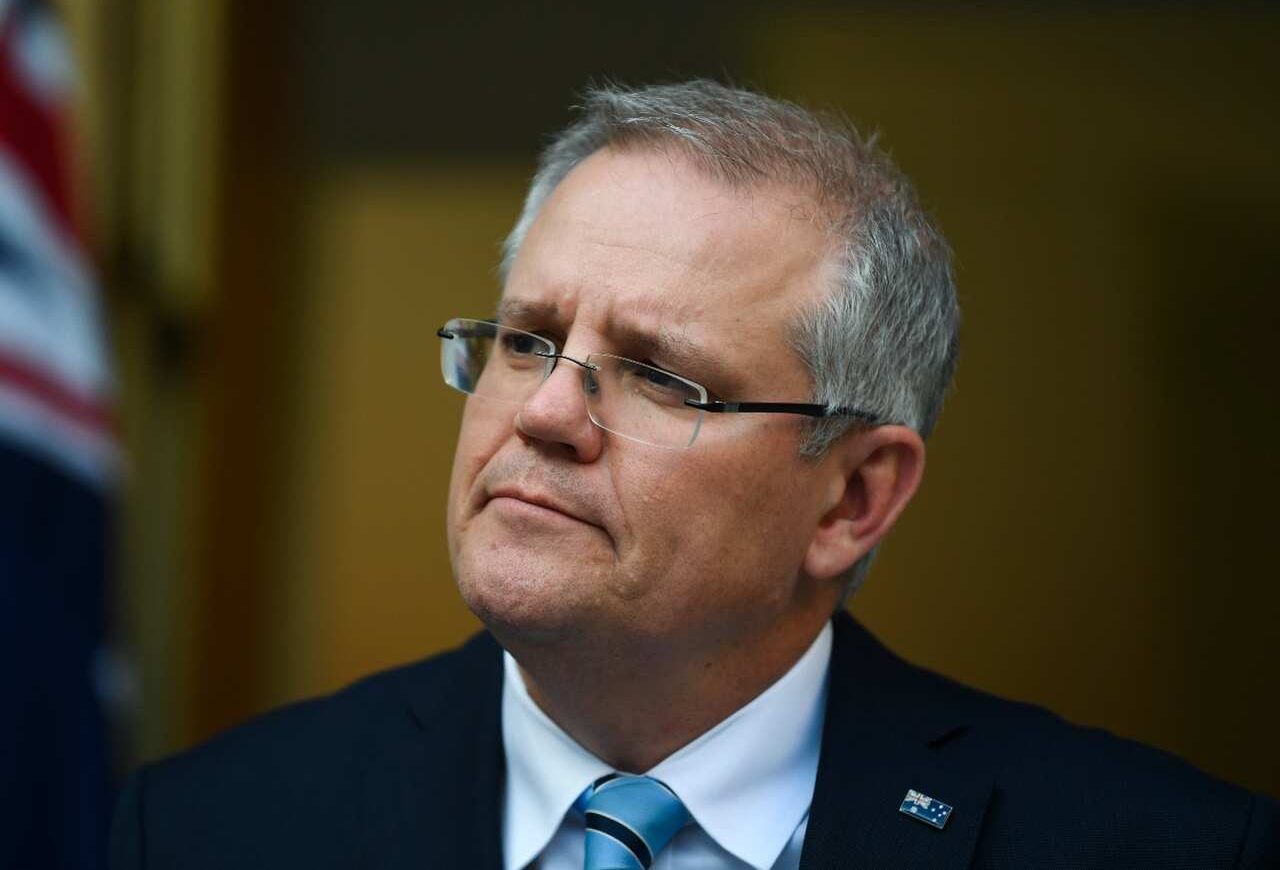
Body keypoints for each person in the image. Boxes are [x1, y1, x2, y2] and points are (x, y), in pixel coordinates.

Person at [110, 80, 1278, 869]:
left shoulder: (1152, 845)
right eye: (526, 339)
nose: (549, 411)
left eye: (662, 375)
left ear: (852, 496)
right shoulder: (209, 826)